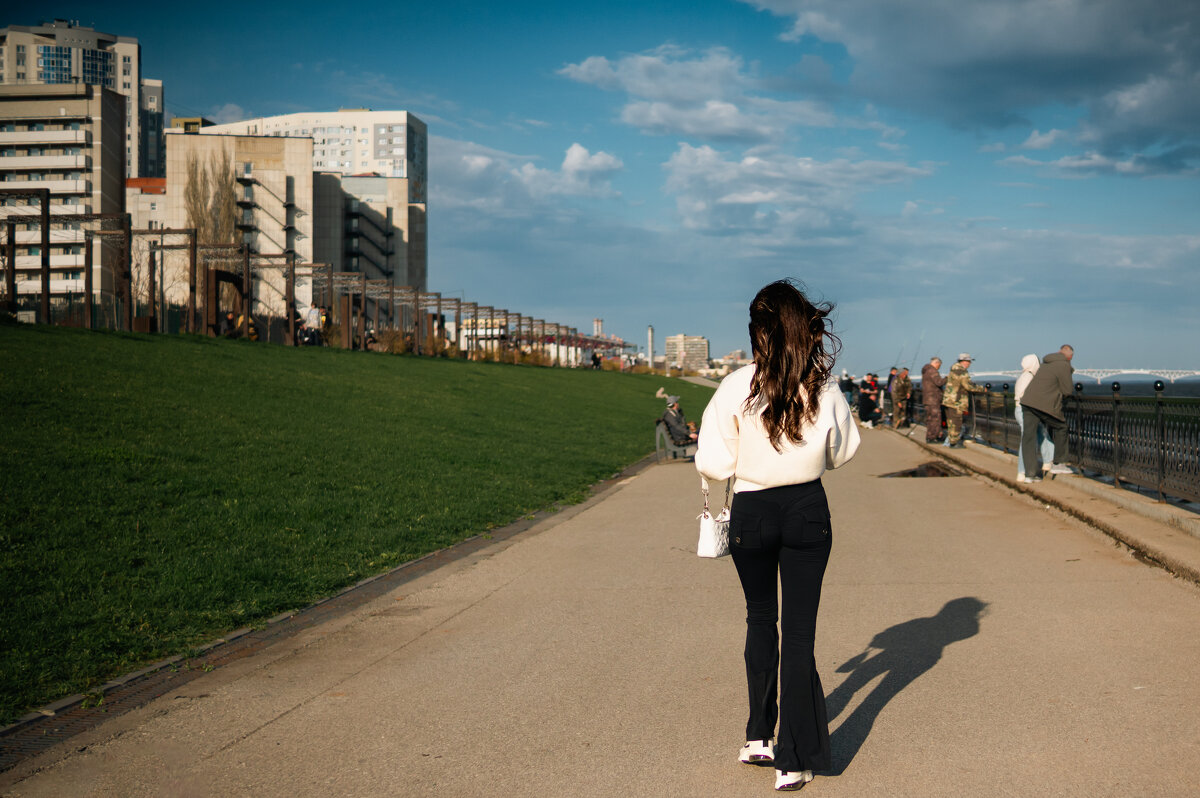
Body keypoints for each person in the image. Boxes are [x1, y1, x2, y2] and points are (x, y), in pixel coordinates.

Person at [695, 279, 860, 792]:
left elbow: (715, 463)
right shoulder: (824, 387)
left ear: (756, 332)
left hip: (753, 508)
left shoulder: (735, 385)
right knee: (801, 633)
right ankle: (792, 759)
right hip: (808, 507)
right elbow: (843, 451)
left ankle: (757, 735)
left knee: (760, 616)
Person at [1020, 345, 1077, 478]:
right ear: (1070, 357)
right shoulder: (1063, 365)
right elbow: (1067, 390)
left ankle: (1030, 474)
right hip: (1043, 405)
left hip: (1027, 402)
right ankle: (1059, 463)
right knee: (1061, 427)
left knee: (1028, 437)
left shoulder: (1046, 363)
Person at [1014, 354, 1056, 482]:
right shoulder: (1030, 377)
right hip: (1026, 411)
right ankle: (1024, 472)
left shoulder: (1022, 376)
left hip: (1020, 410)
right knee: (1028, 440)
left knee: (1038, 434)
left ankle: (1047, 461)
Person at [941, 352, 984, 448]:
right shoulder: (962, 372)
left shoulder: (953, 370)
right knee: (956, 422)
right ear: (964, 362)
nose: (969, 364)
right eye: (969, 362)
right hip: (956, 401)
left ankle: (951, 441)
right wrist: (981, 389)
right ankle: (954, 443)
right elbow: (968, 386)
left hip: (948, 400)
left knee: (951, 422)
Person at [921, 357, 946, 442]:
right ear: (936, 363)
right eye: (939, 365)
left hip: (927, 399)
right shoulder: (933, 371)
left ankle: (930, 436)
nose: (939, 367)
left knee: (930, 418)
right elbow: (939, 382)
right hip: (933, 399)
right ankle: (933, 437)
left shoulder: (926, 371)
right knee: (935, 418)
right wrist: (947, 378)